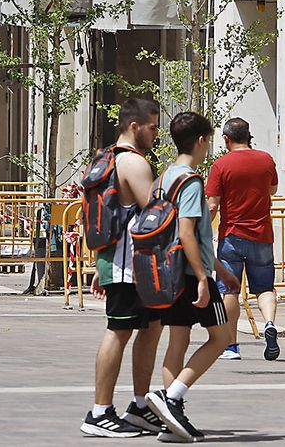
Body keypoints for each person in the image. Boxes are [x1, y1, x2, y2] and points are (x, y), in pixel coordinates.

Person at [146, 112, 237, 443]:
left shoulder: (164, 177)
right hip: (188, 273)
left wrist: (220, 268)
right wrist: (202, 276)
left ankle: (171, 420)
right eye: (208, 141)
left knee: (179, 340)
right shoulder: (190, 180)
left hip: (168, 272)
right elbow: (186, 230)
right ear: (201, 140)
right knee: (222, 337)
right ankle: (172, 397)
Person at [82, 96, 164, 439]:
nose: (156, 133)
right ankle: (100, 411)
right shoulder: (133, 163)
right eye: (153, 126)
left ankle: (140, 405)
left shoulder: (105, 158)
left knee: (151, 326)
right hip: (129, 264)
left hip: (121, 261)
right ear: (135, 126)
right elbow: (155, 216)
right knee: (119, 330)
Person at [206, 116, 280, 361]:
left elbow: (213, 204)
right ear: (249, 136)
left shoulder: (221, 165)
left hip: (232, 236)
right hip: (262, 234)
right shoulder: (266, 160)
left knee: (229, 290)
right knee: (265, 288)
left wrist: (202, 229)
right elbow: (272, 189)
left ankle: (231, 346)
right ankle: (269, 323)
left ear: (226, 139)